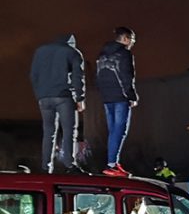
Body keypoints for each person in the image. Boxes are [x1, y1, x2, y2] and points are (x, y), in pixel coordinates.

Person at [29, 33, 86, 174]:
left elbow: (33, 75)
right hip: (64, 96)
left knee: (48, 132)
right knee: (69, 131)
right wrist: (80, 98)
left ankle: (46, 167)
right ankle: (69, 165)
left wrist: (40, 94)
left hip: (44, 97)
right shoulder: (73, 52)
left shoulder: (40, 51)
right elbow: (78, 77)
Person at [95, 26, 138, 177]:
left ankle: (112, 162)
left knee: (113, 130)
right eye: (132, 40)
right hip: (120, 97)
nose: (132, 43)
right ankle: (112, 164)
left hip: (107, 97)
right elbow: (127, 76)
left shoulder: (102, 54)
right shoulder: (124, 54)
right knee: (119, 130)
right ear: (125, 39)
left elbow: (98, 75)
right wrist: (131, 96)